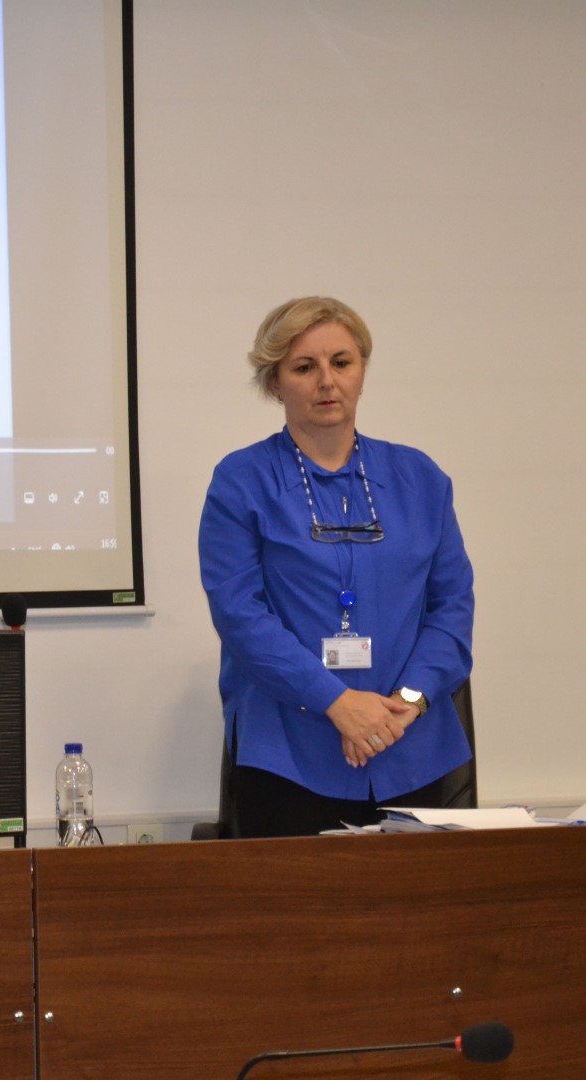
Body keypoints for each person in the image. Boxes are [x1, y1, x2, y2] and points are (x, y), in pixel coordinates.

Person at [199, 296, 474, 838]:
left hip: (409, 747)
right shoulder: (241, 481)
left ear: (361, 372)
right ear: (275, 383)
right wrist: (338, 703)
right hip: (287, 756)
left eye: (341, 362)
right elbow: (240, 616)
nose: (327, 381)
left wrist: (406, 704)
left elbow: (453, 607)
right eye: (305, 367)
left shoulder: (421, 478)